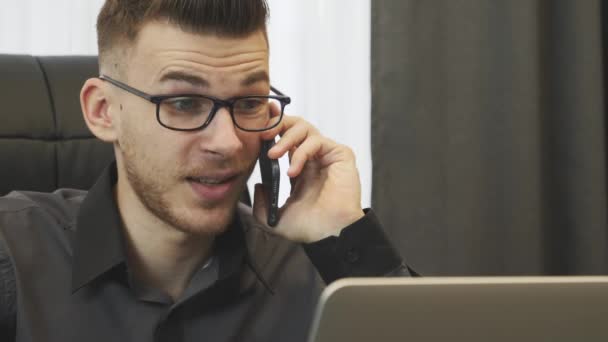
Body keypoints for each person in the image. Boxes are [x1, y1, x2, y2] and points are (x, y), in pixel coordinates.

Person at [0, 1, 412, 341]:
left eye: (249, 102)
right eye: (183, 103)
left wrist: (344, 235)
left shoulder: (318, 271)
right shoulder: (13, 254)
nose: (228, 142)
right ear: (103, 111)